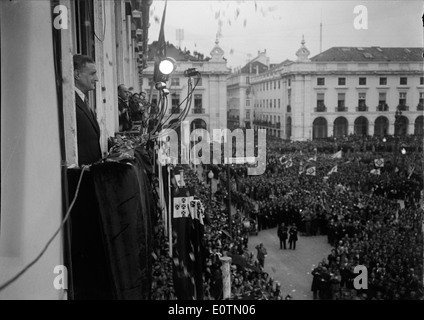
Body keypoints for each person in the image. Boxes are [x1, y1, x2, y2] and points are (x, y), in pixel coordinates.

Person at [73, 54, 102, 166]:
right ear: (77, 74)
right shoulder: (70, 102)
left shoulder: (82, 100)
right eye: (92, 74)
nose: (97, 79)